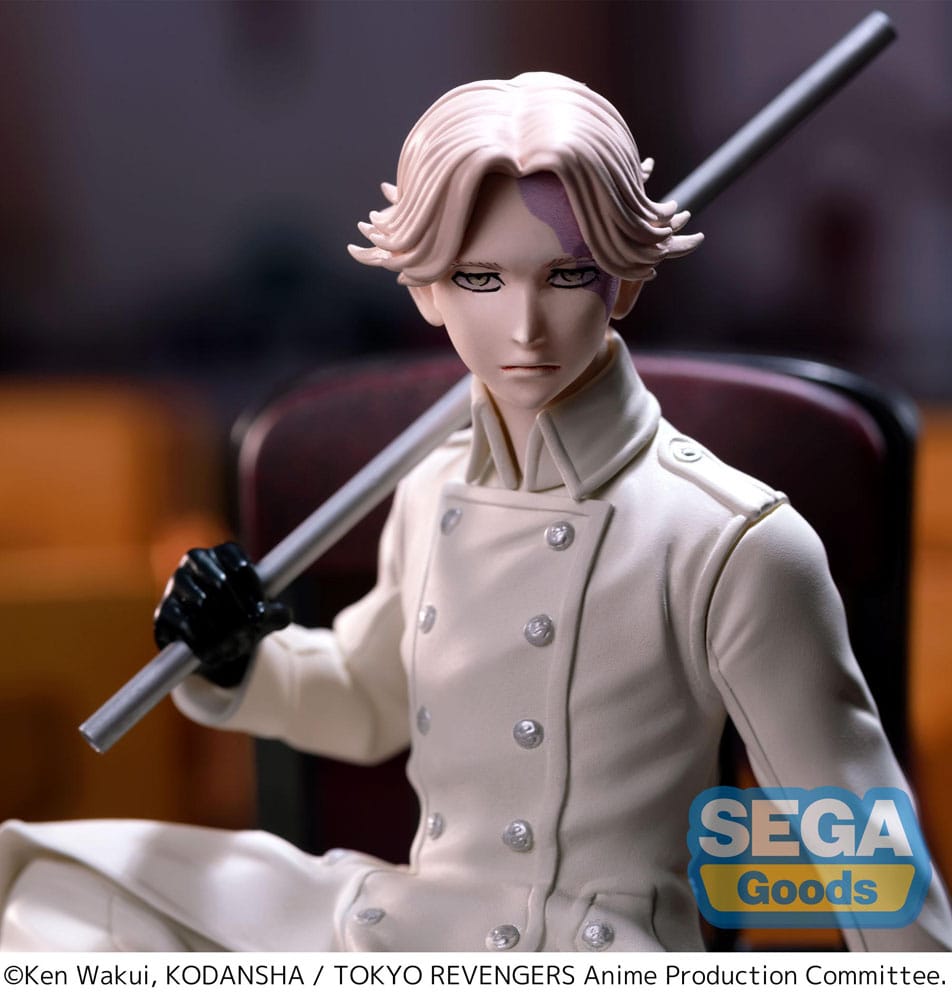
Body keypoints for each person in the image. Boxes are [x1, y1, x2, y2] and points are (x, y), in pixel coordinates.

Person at [1, 72, 949, 952]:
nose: (524, 327)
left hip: (590, 954)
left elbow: (856, 839)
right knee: (49, 890)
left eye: (566, 275)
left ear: (624, 280)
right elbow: (369, 698)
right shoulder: (431, 490)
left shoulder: (731, 539)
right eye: (481, 279)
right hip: (412, 923)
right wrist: (234, 655)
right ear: (425, 289)